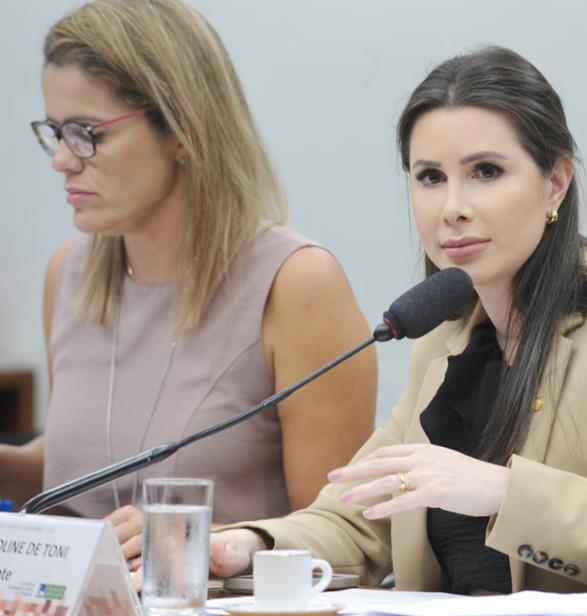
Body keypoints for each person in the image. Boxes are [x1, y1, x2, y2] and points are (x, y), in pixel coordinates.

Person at [211, 46, 587, 615]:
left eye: (486, 172)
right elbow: (361, 518)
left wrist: (503, 494)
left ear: (555, 183)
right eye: (430, 177)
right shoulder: (445, 339)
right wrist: (247, 545)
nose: (452, 207)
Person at [0, 0, 376, 566]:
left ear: (180, 129)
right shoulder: (68, 275)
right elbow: (94, 462)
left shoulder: (297, 283)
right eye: (55, 132)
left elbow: (347, 545)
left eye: (85, 133)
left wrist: (196, 538)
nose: (61, 161)